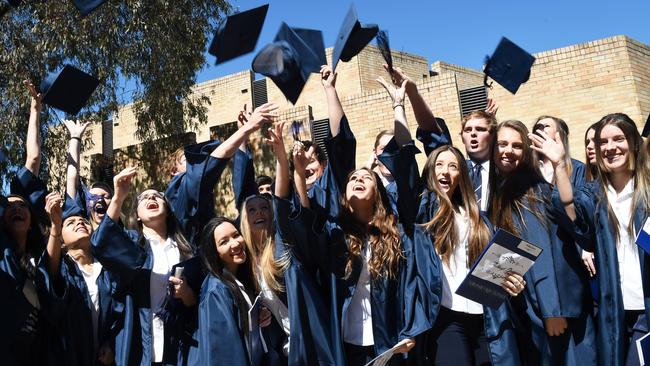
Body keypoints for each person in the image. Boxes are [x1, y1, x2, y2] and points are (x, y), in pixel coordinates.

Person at [490, 120, 595, 364]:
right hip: (528, 307)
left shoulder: (530, 190)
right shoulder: (500, 189)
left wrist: (552, 311)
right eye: (502, 144)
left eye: (517, 146)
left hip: (552, 310)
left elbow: (542, 252)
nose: (508, 151)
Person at [419, 145, 527, 365]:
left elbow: (496, 270)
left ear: (462, 175)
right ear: (430, 171)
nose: (445, 171)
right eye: (439, 165)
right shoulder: (423, 216)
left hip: (486, 317)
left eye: (453, 166)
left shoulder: (480, 219)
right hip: (447, 318)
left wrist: (512, 283)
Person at [569, 113, 650, 365]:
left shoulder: (646, 191)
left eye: (618, 139)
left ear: (634, 143)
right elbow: (569, 216)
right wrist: (561, 165)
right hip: (613, 309)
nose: (610, 147)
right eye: (603, 142)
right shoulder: (595, 197)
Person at [1, 80, 65, 366]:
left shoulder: (38, 260)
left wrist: (36, 108)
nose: (17, 208)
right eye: (10, 206)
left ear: (30, 222)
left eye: (23, 206)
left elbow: (34, 157)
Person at [44, 192, 120, 366]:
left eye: (84, 221)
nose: (79, 222)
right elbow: (49, 270)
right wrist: (55, 226)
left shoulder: (107, 268)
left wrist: (112, 344)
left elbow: (120, 312)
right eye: (70, 222)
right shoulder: (63, 267)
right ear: (61, 242)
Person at [191, 216, 264, 365]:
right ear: (215, 252)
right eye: (224, 242)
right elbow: (225, 353)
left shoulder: (241, 279)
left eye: (236, 235)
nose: (235, 243)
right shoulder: (216, 291)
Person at [531, 115, 586, 188]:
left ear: (560, 134)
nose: (539, 130)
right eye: (537, 128)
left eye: (546, 126)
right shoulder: (527, 169)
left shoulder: (578, 168)